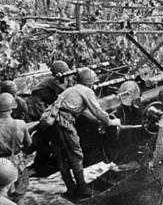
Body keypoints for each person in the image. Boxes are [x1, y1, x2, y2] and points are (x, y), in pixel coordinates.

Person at [40, 68, 120, 197]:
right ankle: (82, 188)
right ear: (91, 82)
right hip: (64, 123)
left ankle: (71, 189)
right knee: (75, 155)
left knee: (61, 157)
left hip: (53, 124)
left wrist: (98, 121)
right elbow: (97, 111)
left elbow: (84, 113)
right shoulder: (86, 91)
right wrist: (111, 122)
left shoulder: (71, 90)